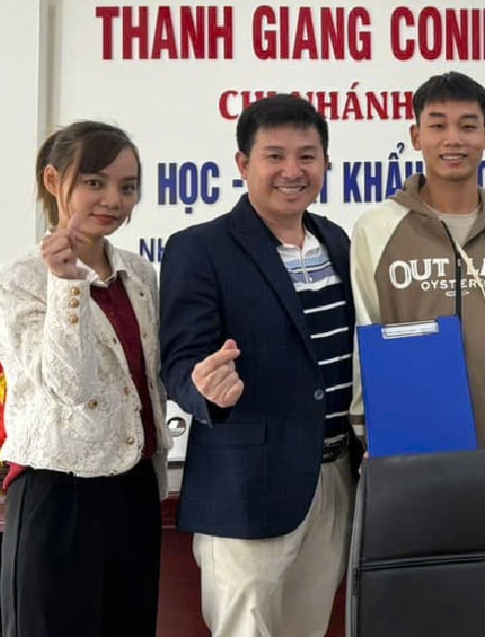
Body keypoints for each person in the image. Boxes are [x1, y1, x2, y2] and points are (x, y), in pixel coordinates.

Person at [160, 95, 356, 637]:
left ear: (325, 162)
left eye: (307, 156)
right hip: (246, 487)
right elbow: (181, 359)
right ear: (243, 164)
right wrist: (205, 390)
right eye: (275, 156)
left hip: (333, 477)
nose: (292, 171)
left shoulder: (337, 240)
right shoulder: (199, 248)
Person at [0, 120, 169, 637]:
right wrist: (67, 284)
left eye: (127, 186)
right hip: (59, 491)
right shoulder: (21, 279)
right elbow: (71, 386)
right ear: (54, 181)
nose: (113, 199)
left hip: (136, 488)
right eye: (95, 182)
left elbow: (148, 380)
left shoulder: (139, 274)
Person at [350, 71, 485, 448]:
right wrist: (367, 432)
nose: (453, 139)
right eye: (438, 125)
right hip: (408, 444)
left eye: (468, 126)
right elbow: (364, 334)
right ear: (416, 136)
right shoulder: (376, 229)